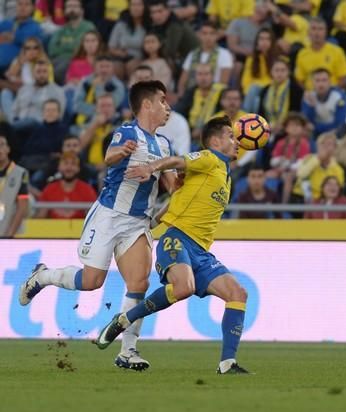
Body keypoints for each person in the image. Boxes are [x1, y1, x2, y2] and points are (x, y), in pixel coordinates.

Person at [19, 80, 177, 371]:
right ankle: (42, 277)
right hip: (109, 216)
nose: (168, 107)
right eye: (163, 101)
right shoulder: (127, 132)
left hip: (137, 222)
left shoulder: (165, 144)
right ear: (147, 105)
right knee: (92, 282)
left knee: (139, 283)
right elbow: (109, 156)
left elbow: (172, 184)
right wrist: (124, 152)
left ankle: (128, 351)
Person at [95, 116, 251, 375]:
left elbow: (182, 194)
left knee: (238, 294)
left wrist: (158, 217)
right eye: (231, 136)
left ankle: (228, 363)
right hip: (177, 239)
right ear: (215, 141)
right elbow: (177, 160)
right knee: (184, 287)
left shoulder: (224, 174)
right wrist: (152, 167)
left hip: (200, 251)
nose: (238, 142)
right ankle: (124, 319)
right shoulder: (208, 158)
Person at [36, 151, 97, 219]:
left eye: (73, 164)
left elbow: (93, 219)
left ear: (78, 169)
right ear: (59, 167)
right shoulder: (49, 189)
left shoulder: (87, 190)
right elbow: (40, 217)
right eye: (65, 163)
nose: (69, 167)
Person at [0, 135, 29, 238]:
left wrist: (9, 235)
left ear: (8, 148)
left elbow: (22, 207)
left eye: (2, 145)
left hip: (11, 234)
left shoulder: (20, 173)